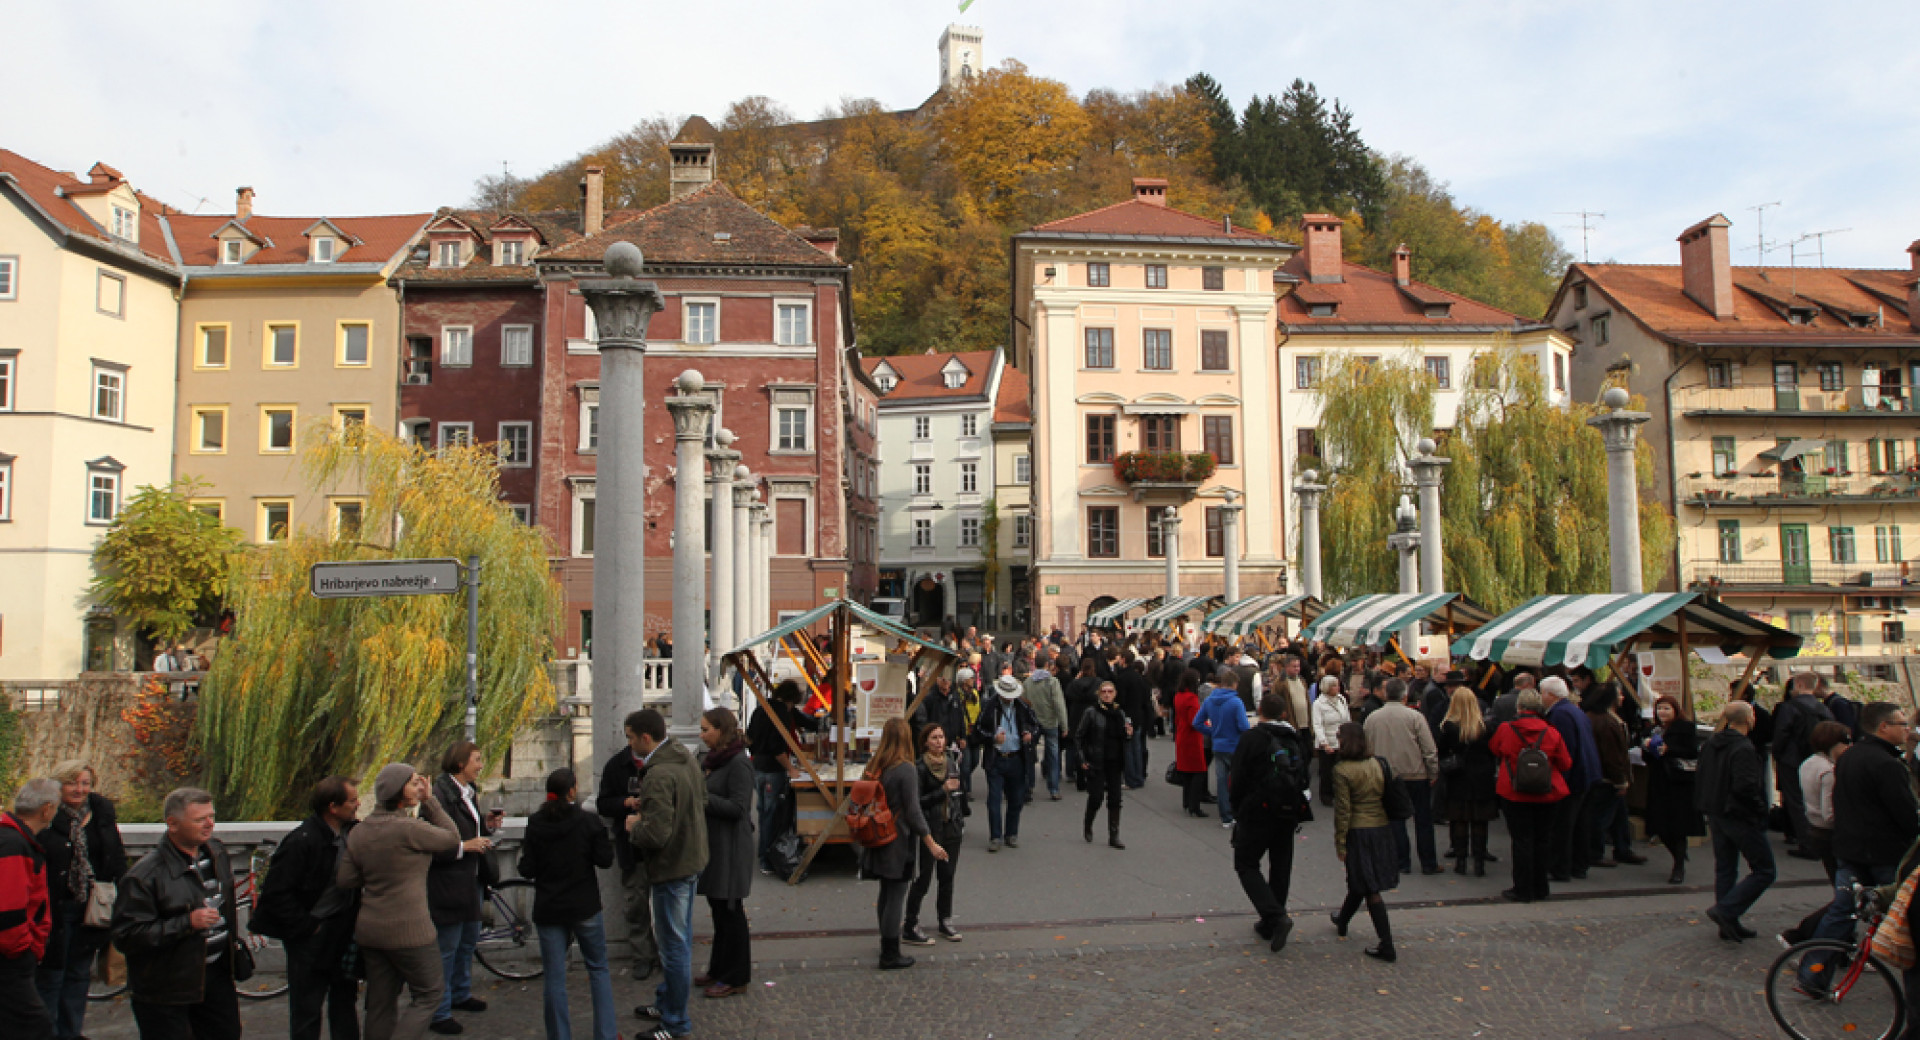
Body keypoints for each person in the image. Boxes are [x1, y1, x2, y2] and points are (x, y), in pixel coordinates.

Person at [337, 766, 460, 1040]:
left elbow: (346, 879)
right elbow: (452, 837)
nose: (420, 787)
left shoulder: (360, 832)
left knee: (380, 1002)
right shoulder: (409, 829)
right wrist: (431, 801)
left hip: (370, 928)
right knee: (429, 994)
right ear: (397, 790)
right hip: (411, 928)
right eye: (414, 783)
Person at [111, 787, 243, 1040]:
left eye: (211, 816)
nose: (209, 824)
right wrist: (186, 923)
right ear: (172, 823)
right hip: (166, 988)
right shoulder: (145, 875)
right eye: (199, 819)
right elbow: (126, 936)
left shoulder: (217, 852)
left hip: (214, 976)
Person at [1799, 702, 1917, 966]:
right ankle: (1894, 960)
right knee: (1900, 908)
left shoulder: (1849, 757)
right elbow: (1904, 812)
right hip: (1882, 851)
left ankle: (1813, 971)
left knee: (1842, 911)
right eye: (1902, 724)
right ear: (1884, 727)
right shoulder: (1887, 764)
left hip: (1849, 848)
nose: (1907, 730)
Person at [254, 776, 362, 1040]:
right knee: (307, 1008)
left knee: (344, 1001)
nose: (358, 804)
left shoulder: (352, 832)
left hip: (343, 931)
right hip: (311, 936)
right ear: (333, 807)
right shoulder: (302, 841)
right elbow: (276, 893)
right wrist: (308, 926)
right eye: (352, 800)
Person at [625, 709, 707, 1040]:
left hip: (672, 865)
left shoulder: (658, 775)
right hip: (692, 857)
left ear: (646, 738)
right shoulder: (684, 758)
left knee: (673, 946)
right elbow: (701, 800)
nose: (629, 743)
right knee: (679, 939)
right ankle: (668, 1001)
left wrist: (635, 826)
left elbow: (656, 835)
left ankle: (675, 1021)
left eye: (630, 737)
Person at [516, 768, 615, 1040]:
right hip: (584, 904)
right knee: (598, 968)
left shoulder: (536, 823)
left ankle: (559, 1035)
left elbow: (527, 868)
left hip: (550, 906)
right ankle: (605, 1034)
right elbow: (605, 860)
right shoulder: (587, 822)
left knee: (554, 977)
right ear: (572, 791)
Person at [34, 760, 125, 1040]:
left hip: (91, 907)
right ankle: (47, 1033)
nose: (79, 789)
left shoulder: (100, 813)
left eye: (85, 783)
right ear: (58, 786)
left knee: (78, 974)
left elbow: (114, 854)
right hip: (56, 908)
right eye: (72, 783)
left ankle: (71, 1032)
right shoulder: (46, 815)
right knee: (52, 975)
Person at [863, 717, 947, 971]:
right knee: (896, 895)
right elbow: (913, 811)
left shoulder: (877, 764)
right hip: (897, 839)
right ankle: (890, 952)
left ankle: (885, 942)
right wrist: (930, 842)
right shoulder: (905, 769)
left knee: (886, 893)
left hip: (877, 835)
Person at [427, 742, 500, 1036]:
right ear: (460, 763)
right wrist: (464, 847)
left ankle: (460, 993)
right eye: (477, 760)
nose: (481, 765)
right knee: (447, 946)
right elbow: (432, 840)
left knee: (468, 940)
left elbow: (469, 828)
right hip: (451, 881)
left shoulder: (468, 792)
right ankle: (439, 1010)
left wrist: (486, 827)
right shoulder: (439, 796)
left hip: (471, 878)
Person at [1231, 694, 1314, 951]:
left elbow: (1238, 776)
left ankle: (1274, 916)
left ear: (1259, 710)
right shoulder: (1294, 739)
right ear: (1285, 714)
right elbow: (1304, 774)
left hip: (1257, 809)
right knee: (1281, 864)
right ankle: (1274, 916)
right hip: (1287, 810)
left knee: (1246, 863)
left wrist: (1237, 809)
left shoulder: (1252, 738)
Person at [1695, 701, 1774, 942]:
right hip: (1738, 814)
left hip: (1717, 811)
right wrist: (1760, 810)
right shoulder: (1743, 748)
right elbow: (1746, 786)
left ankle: (1728, 918)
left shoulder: (1712, 744)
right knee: (1765, 870)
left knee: (1726, 867)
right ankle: (1727, 910)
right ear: (1749, 719)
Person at [1489, 689, 1572, 903]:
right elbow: (1565, 763)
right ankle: (1541, 886)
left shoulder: (1507, 729)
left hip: (1515, 791)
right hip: (1547, 792)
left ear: (1519, 707)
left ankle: (1522, 888)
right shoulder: (1551, 731)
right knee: (1543, 840)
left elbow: (1495, 749)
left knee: (1521, 841)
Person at [595, 712, 658, 978]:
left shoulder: (664, 765)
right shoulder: (617, 766)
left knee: (668, 909)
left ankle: (666, 956)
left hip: (662, 847)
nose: (629, 743)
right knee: (636, 905)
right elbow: (603, 803)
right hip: (632, 849)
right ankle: (642, 957)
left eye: (632, 737)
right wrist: (626, 803)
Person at [696, 708, 753, 999]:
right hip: (715, 846)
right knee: (718, 910)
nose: (702, 734)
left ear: (721, 730)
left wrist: (703, 798)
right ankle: (718, 968)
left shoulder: (738, 764)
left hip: (731, 848)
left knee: (731, 912)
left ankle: (736, 975)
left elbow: (739, 808)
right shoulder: (714, 761)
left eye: (706, 729)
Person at [1330, 723, 1399, 962]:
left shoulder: (1342, 770)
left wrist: (1340, 842)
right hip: (1380, 827)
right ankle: (1342, 919)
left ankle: (1386, 943)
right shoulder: (1378, 764)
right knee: (1363, 880)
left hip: (1359, 831)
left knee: (1369, 887)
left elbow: (1344, 810)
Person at [1779, 721, 1850, 946]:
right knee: (1846, 897)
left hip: (1815, 828)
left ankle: (1841, 943)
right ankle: (1807, 933)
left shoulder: (1809, 763)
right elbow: (1830, 812)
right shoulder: (1828, 770)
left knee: (1844, 895)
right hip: (1828, 833)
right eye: (1845, 742)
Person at [1364, 678, 1441, 876]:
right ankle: (1428, 862)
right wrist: (1432, 771)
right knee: (1423, 820)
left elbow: (1367, 748)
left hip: (1387, 774)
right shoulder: (1415, 717)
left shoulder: (1373, 718)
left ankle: (1401, 861)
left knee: (1395, 820)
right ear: (1405, 696)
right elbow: (1429, 748)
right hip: (1415, 773)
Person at [2, 779, 58, 1040]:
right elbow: (9, 911)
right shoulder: (14, 844)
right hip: (11, 961)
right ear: (46, 810)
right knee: (35, 1028)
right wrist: (26, 950)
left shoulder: (12, 839)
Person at [904, 721, 965, 943]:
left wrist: (960, 816)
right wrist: (942, 791)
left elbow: (960, 793)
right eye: (934, 738)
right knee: (924, 877)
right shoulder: (919, 768)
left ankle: (945, 919)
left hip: (951, 825)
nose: (940, 742)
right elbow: (917, 802)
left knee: (947, 876)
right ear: (926, 743)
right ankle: (910, 922)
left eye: (941, 737)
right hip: (931, 829)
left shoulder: (951, 763)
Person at [1540, 676, 1602, 882]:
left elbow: (1566, 750)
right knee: (1579, 824)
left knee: (1564, 826)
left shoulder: (1560, 715)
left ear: (1550, 694)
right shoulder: (1575, 711)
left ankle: (1561, 867)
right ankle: (1579, 864)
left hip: (1573, 777)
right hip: (1587, 774)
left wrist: (1560, 781)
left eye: (1542, 694)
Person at [1640, 695, 1704, 885]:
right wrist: (1647, 748)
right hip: (1659, 780)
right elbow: (1647, 757)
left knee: (1678, 826)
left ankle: (1678, 866)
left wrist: (1669, 749)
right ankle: (1679, 855)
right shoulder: (1653, 730)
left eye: (1667, 708)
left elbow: (1692, 750)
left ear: (1675, 710)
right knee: (1659, 825)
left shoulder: (1685, 727)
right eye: (1660, 709)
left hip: (1679, 781)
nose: (1662, 712)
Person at [971, 675, 1037, 851]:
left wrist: (1030, 734)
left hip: (1017, 757)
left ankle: (1011, 833)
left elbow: (1036, 726)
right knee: (994, 799)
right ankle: (995, 836)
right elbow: (977, 731)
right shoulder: (989, 706)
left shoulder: (1023, 706)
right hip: (996, 759)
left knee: (1016, 799)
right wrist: (992, 738)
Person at [746, 682, 806, 878]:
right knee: (771, 815)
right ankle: (767, 858)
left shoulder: (760, 709)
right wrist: (791, 768)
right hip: (773, 769)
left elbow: (749, 739)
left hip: (758, 767)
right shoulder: (781, 713)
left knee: (763, 812)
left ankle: (762, 855)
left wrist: (757, 750)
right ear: (791, 700)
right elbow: (777, 748)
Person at [1436, 688, 1498, 876]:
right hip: (1482, 777)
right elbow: (1492, 752)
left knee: (1460, 819)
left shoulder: (1449, 727)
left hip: (1458, 777)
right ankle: (1479, 861)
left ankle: (1461, 860)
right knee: (1480, 821)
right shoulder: (1486, 728)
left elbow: (1441, 751)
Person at [1583, 683, 1645, 869]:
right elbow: (1612, 755)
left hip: (1603, 775)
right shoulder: (1606, 721)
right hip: (1608, 778)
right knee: (1602, 817)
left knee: (1619, 815)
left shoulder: (1596, 717)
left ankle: (1623, 848)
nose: (1622, 697)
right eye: (1619, 694)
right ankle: (1596, 852)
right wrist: (1620, 780)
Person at [1771, 672, 1832, 854]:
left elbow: (1781, 733)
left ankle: (1806, 843)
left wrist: (1778, 754)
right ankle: (1821, 840)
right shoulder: (1824, 710)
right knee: (1817, 799)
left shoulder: (1789, 708)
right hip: (1818, 759)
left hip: (1792, 759)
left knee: (1795, 800)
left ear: (1797, 685)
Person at [1075, 681, 1133, 849]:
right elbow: (1079, 736)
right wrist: (1082, 759)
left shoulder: (1119, 713)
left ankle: (1114, 835)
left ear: (1114, 694)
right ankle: (1088, 823)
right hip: (1096, 761)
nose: (1107, 694)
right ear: (1099, 694)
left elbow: (1124, 737)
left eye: (1110, 692)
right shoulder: (1091, 712)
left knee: (1115, 799)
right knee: (1096, 796)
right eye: (1104, 692)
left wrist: (1128, 734)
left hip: (1115, 762)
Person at [1196, 666, 1251, 828]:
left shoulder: (1210, 700)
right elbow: (1243, 726)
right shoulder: (1235, 702)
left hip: (1218, 744)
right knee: (1237, 781)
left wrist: (1212, 731)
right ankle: (1237, 812)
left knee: (1221, 782)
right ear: (1234, 684)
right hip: (1235, 745)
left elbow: (1197, 722)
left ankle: (1225, 817)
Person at [1024, 660, 1068, 801]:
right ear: (1048, 666)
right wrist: (1064, 724)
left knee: (1030, 756)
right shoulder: (1052, 682)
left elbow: (1024, 703)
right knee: (1053, 757)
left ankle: (1029, 786)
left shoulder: (1028, 682)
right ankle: (1054, 789)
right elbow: (1059, 704)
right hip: (1050, 722)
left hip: (1033, 723)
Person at [1173, 669, 1210, 818]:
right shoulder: (1192, 698)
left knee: (1187, 772)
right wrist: (1209, 727)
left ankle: (1187, 802)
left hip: (1182, 734)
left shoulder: (1179, 696)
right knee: (1198, 771)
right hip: (1192, 738)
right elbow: (1195, 721)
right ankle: (1194, 806)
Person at [1114, 657, 1154, 789]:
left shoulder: (1123, 678)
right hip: (1139, 715)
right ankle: (1139, 776)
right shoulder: (1141, 680)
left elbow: (1121, 700)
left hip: (1128, 716)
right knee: (1137, 748)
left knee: (1129, 749)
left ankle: (1131, 779)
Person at [1063, 659, 1102, 791]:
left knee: (1077, 748)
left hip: (1077, 716)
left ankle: (1079, 778)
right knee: (1093, 748)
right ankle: (1092, 777)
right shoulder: (1098, 683)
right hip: (1093, 717)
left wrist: (1076, 679)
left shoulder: (1074, 684)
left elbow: (1067, 695)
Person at [1311, 675, 1349, 808]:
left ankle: (1340, 794)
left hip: (1341, 741)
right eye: (1334, 686)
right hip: (1327, 741)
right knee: (1327, 772)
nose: (1337, 688)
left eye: (1338, 685)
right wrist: (1324, 743)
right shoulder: (1318, 704)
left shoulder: (1342, 700)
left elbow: (1347, 720)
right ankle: (1326, 795)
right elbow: (1317, 725)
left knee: (1341, 771)